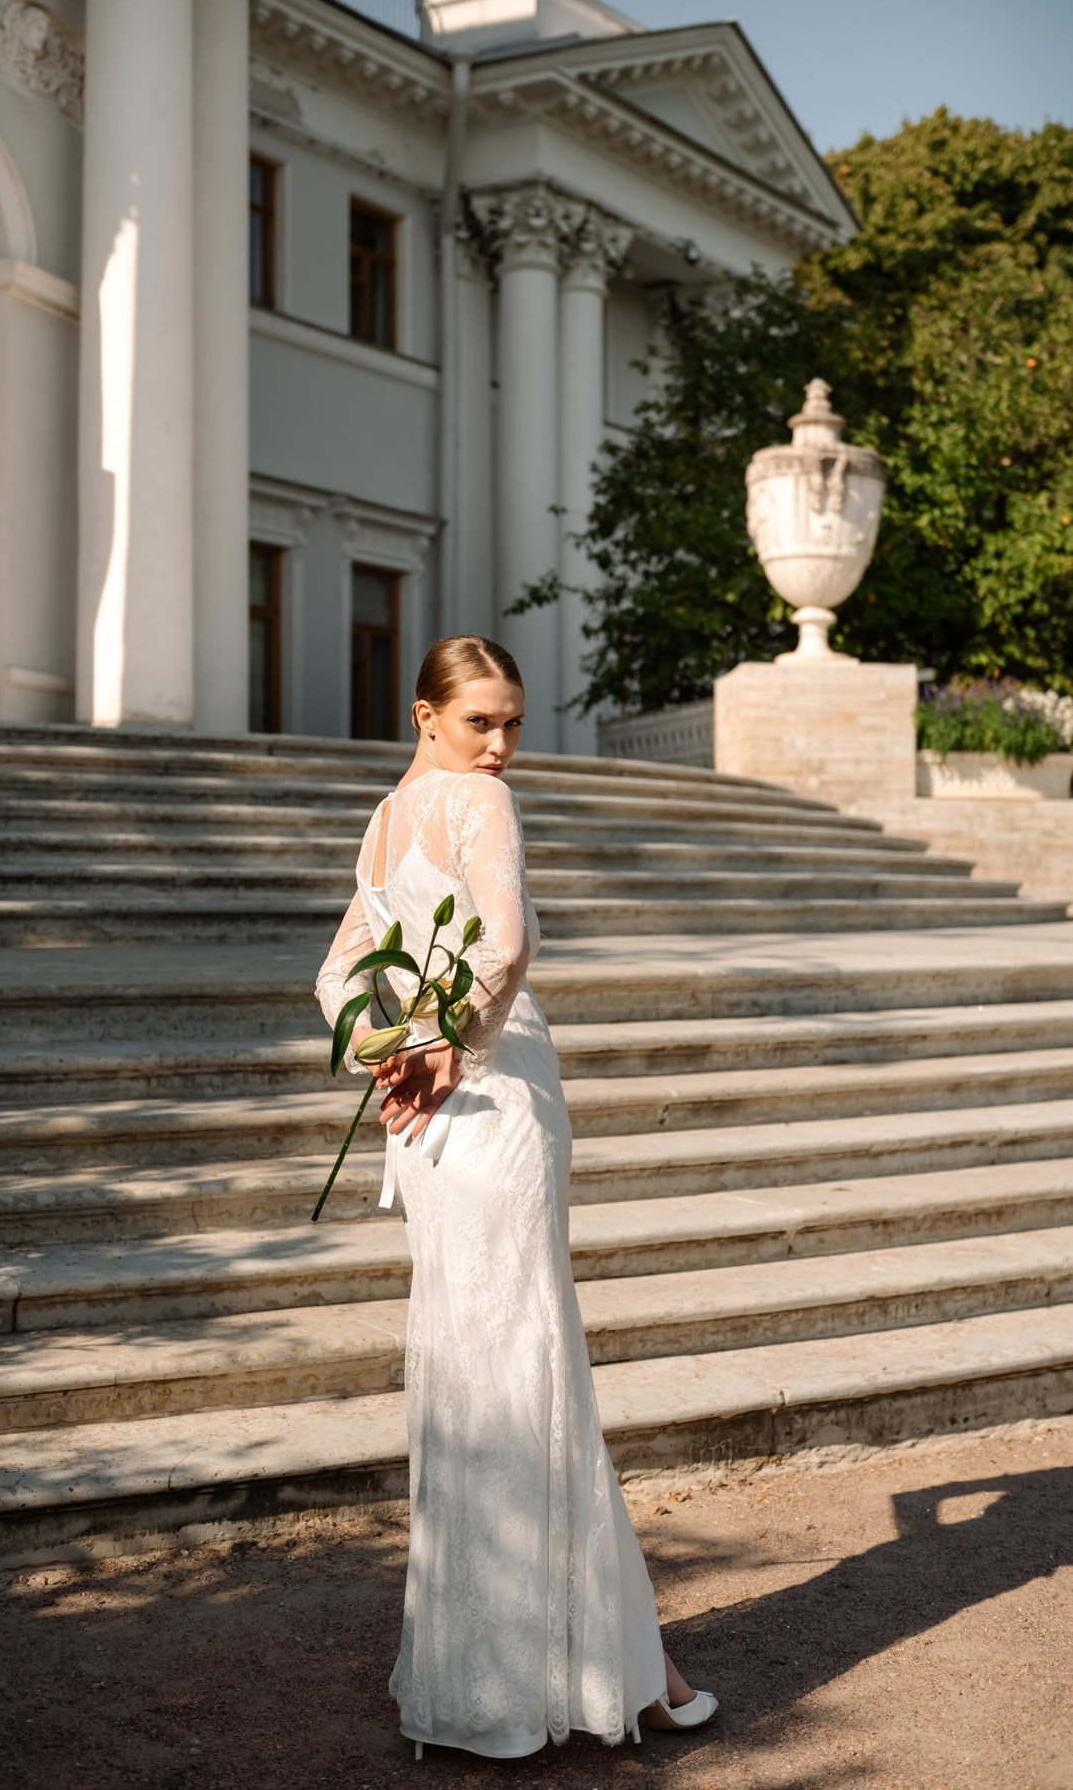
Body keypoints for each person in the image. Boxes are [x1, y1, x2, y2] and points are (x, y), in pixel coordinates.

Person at [316, 634, 718, 1761]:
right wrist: (438, 1044)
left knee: (475, 1366)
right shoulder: (475, 806)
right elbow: (505, 941)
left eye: (513, 725)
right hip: (492, 1106)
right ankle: (615, 1673)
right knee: (528, 1365)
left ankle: (501, 1681)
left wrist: (390, 1051)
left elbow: (336, 979)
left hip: (437, 1122)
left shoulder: (383, 821)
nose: (498, 747)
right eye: (479, 722)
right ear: (425, 716)